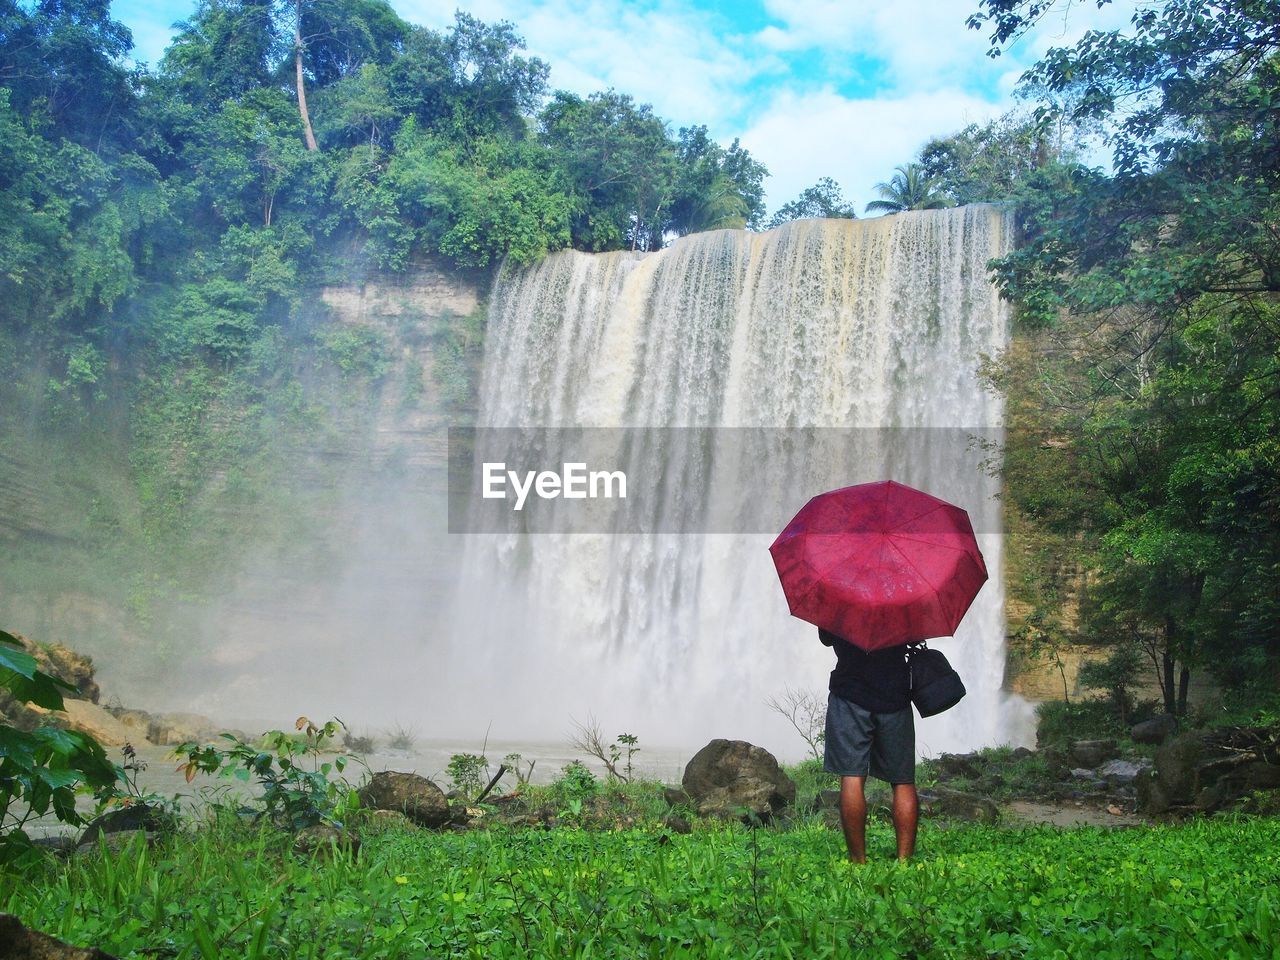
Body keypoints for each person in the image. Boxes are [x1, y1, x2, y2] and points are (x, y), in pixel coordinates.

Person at [819, 627, 918, 862]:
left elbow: (826, 638)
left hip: (850, 694)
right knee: (903, 780)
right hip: (895, 695)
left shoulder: (842, 592)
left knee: (852, 776)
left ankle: (859, 860)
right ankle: (904, 860)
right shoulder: (903, 592)